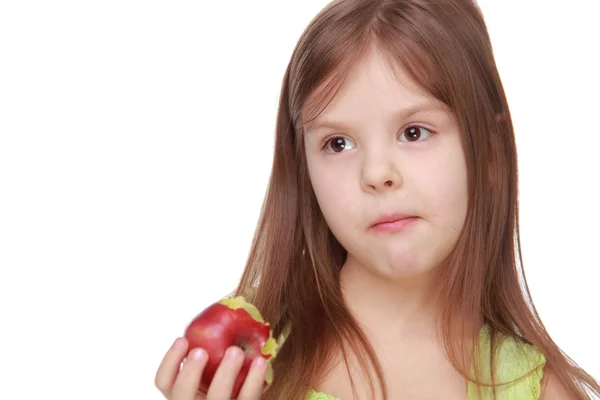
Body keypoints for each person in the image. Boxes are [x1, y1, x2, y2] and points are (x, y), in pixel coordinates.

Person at [155, 0, 600, 399]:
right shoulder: (248, 370)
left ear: (488, 153)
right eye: (338, 144)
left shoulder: (537, 392)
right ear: (303, 169)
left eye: (413, 132)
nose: (376, 174)